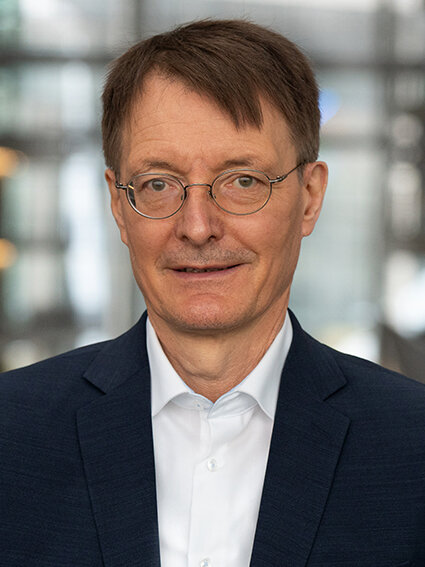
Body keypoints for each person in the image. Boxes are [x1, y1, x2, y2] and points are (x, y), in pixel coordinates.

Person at [1, 19, 424, 567]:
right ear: (119, 206)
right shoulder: (12, 436)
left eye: (243, 180)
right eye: (158, 184)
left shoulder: (411, 445)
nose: (198, 227)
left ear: (310, 196)